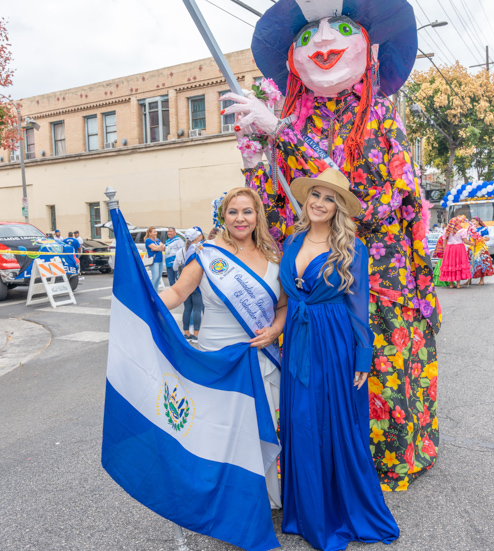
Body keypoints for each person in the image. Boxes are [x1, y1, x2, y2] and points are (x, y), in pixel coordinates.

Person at [223, 0, 441, 490]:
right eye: (307, 34)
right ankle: (316, 457)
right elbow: (280, 210)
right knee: (313, 369)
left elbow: (368, 197)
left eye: (339, 27)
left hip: (377, 273)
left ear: (370, 47)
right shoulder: (291, 119)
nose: (321, 40)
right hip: (310, 271)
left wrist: (281, 133)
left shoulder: (380, 117)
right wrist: (258, 157)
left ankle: (381, 456)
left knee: (376, 358)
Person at [279, 169, 399, 549]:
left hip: (334, 341)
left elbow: (358, 307)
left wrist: (363, 357)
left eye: (329, 198)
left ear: (338, 208)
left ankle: (339, 508)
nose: (319, 202)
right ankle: (307, 510)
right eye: (315, 195)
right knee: (300, 422)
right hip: (297, 337)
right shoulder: (291, 242)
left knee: (334, 422)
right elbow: (284, 298)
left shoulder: (353, 248)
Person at [160, 187, 287, 509]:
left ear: (257, 215)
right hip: (219, 360)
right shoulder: (206, 254)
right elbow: (176, 293)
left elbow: (284, 306)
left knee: (263, 429)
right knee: (225, 433)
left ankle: (266, 497)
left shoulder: (274, 256)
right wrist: (141, 306)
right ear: (223, 216)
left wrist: (275, 329)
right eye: (233, 212)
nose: (240, 218)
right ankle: (230, 502)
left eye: (247, 211)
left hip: (261, 358)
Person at [176, 227, 205, 343]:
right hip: (196, 283)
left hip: (184, 281)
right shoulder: (200, 249)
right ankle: (196, 334)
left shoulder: (182, 250)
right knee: (197, 308)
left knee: (187, 308)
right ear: (197, 237)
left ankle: (186, 332)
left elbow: (174, 266)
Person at [439, 216, 473, 289]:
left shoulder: (447, 231)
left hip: (449, 249)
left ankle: (451, 284)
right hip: (459, 248)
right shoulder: (462, 231)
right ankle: (458, 284)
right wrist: (473, 243)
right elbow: (466, 241)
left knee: (451, 265)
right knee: (458, 264)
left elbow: (444, 242)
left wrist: (445, 252)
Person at [469, 217, 494, 285]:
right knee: (470, 263)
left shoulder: (483, 229)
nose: (472, 223)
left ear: (478, 221)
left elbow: (487, 238)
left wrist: (479, 238)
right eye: (471, 221)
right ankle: (469, 280)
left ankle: (481, 279)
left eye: (473, 221)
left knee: (481, 263)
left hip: (480, 248)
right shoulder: (470, 229)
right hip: (472, 248)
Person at [144, 227, 165, 292]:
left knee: (158, 277)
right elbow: (155, 248)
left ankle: (155, 292)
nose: (156, 233)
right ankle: (151, 292)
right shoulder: (148, 240)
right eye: (154, 232)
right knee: (155, 277)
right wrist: (159, 247)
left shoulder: (157, 239)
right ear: (150, 233)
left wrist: (158, 247)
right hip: (154, 261)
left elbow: (163, 248)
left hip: (160, 260)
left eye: (156, 232)